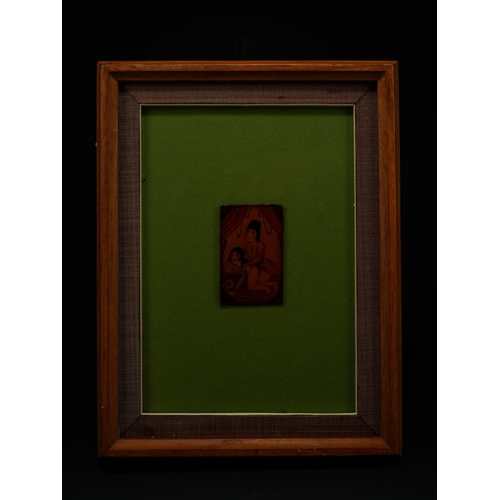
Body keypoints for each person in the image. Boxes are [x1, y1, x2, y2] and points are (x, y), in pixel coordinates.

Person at [244, 220, 279, 294]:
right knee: (251, 286)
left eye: (252, 233)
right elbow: (247, 258)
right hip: (255, 268)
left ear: (257, 234)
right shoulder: (247, 246)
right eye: (247, 232)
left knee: (261, 282)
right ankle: (266, 288)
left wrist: (250, 265)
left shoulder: (260, 244)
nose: (248, 235)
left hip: (265, 268)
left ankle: (273, 284)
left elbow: (259, 258)